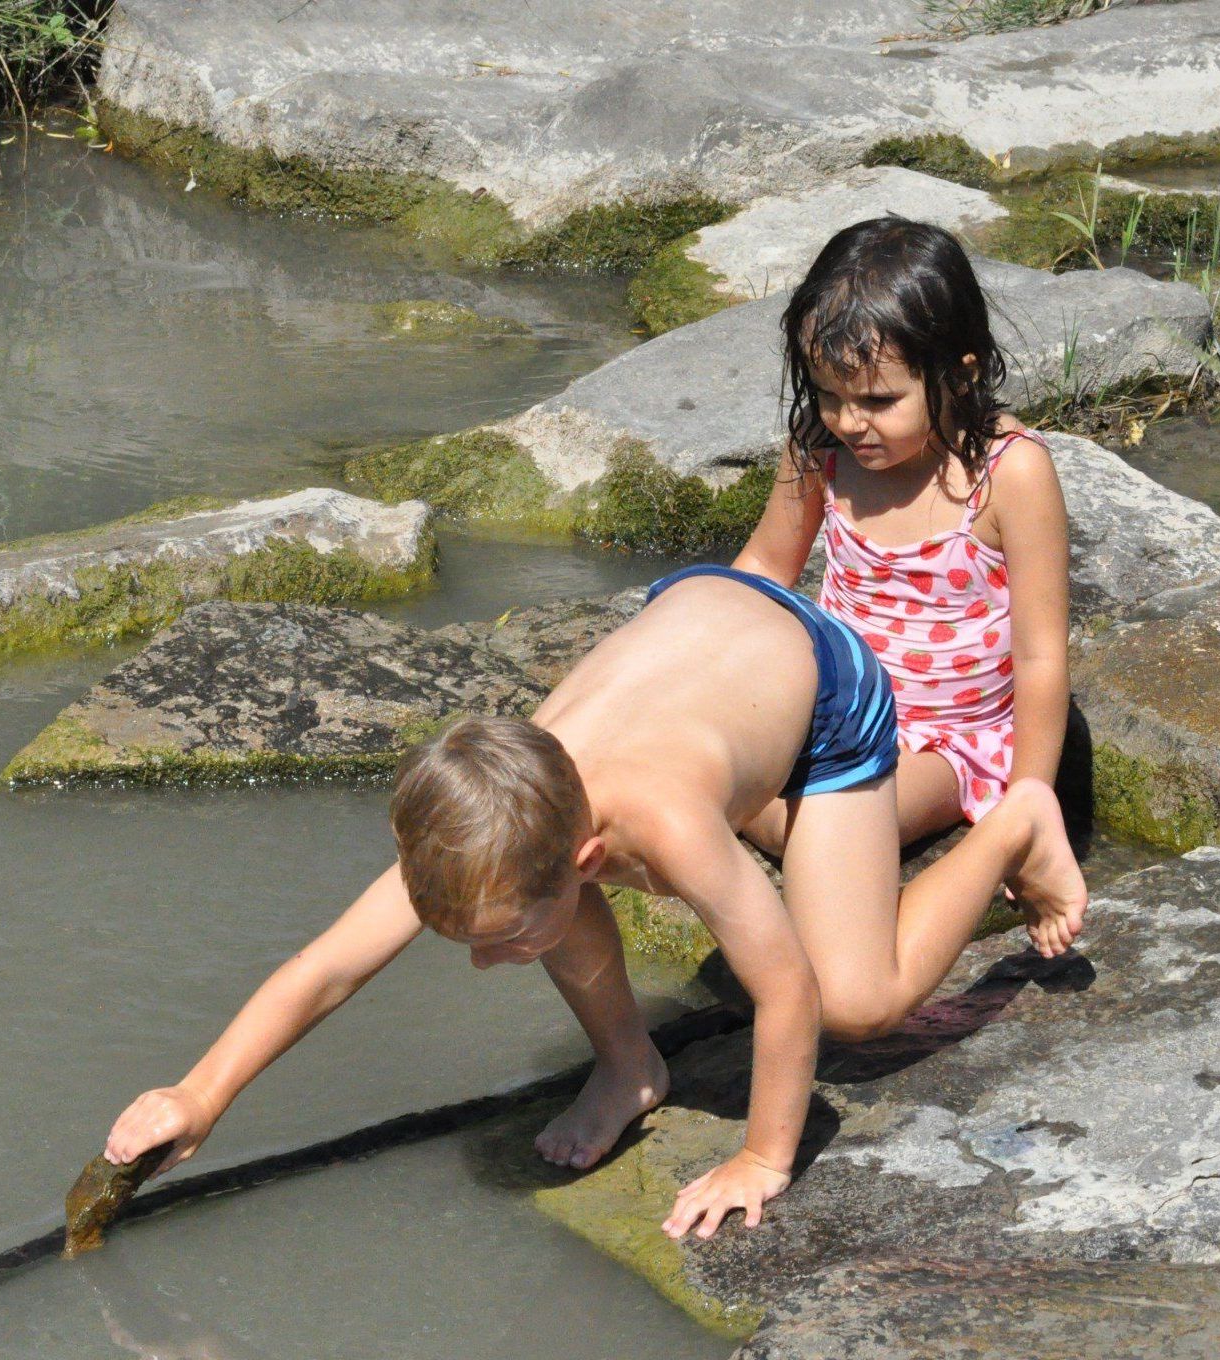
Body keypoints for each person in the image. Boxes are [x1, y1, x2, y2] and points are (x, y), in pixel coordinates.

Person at [103, 567, 1087, 1240]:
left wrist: (761, 1156)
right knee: (739, 847)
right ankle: (632, 1066)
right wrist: (201, 1093)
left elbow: (784, 989)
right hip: (693, 616)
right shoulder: (494, 822)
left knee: (856, 997)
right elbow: (328, 966)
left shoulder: (664, 821)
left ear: (583, 852)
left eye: (498, 940)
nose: (486, 963)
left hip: (821, 679)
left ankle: (1010, 820)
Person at [735, 216, 1071, 856]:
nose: (849, 421)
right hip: (834, 697)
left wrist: (1030, 810)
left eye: (880, 400)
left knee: (828, 835)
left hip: (948, 737)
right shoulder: (819, 444)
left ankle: (720, 805)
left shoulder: (1008, 474)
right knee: (700, 744)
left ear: (959, 374)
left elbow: (1040, 657)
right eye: (829, 394)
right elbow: (765, 566)